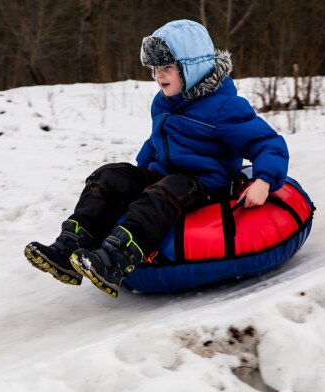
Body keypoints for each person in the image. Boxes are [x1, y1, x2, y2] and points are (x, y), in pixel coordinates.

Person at [24, 19, 289, 297]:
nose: (158, 76)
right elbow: (157, 141)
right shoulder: (164, 102)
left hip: (204, 183)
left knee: (161, 193)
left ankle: (117, 259)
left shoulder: (224, 107)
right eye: (154, 69)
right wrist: (132, 181)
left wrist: (263, 180)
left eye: (166, 68)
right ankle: (69, 246)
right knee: (108, 176)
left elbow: (266, 142)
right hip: (166, 175)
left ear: (192, 66)